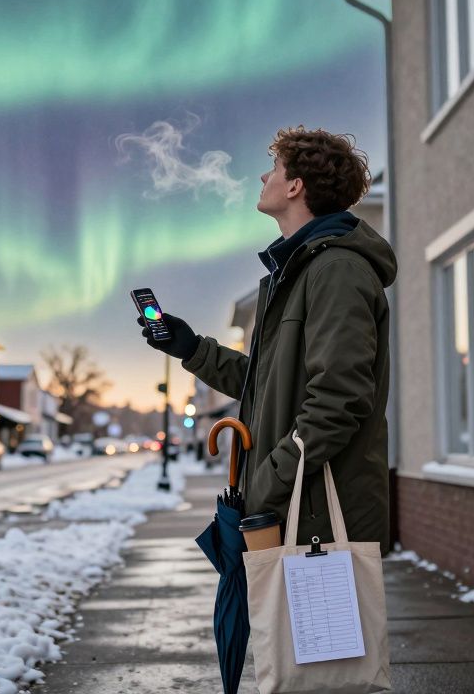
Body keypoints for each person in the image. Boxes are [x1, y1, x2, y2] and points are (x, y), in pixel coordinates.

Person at [139, 126, 396, 553]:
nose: (263, 178)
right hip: (294, 512)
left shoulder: (337, 272)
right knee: (259, 622)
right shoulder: (300, 272)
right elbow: (269, 384)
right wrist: (191, 349)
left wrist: (268, 481)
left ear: (295, 185)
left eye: (273, 168)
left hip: (320, 526)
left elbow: (340, 400)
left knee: (308, 625)